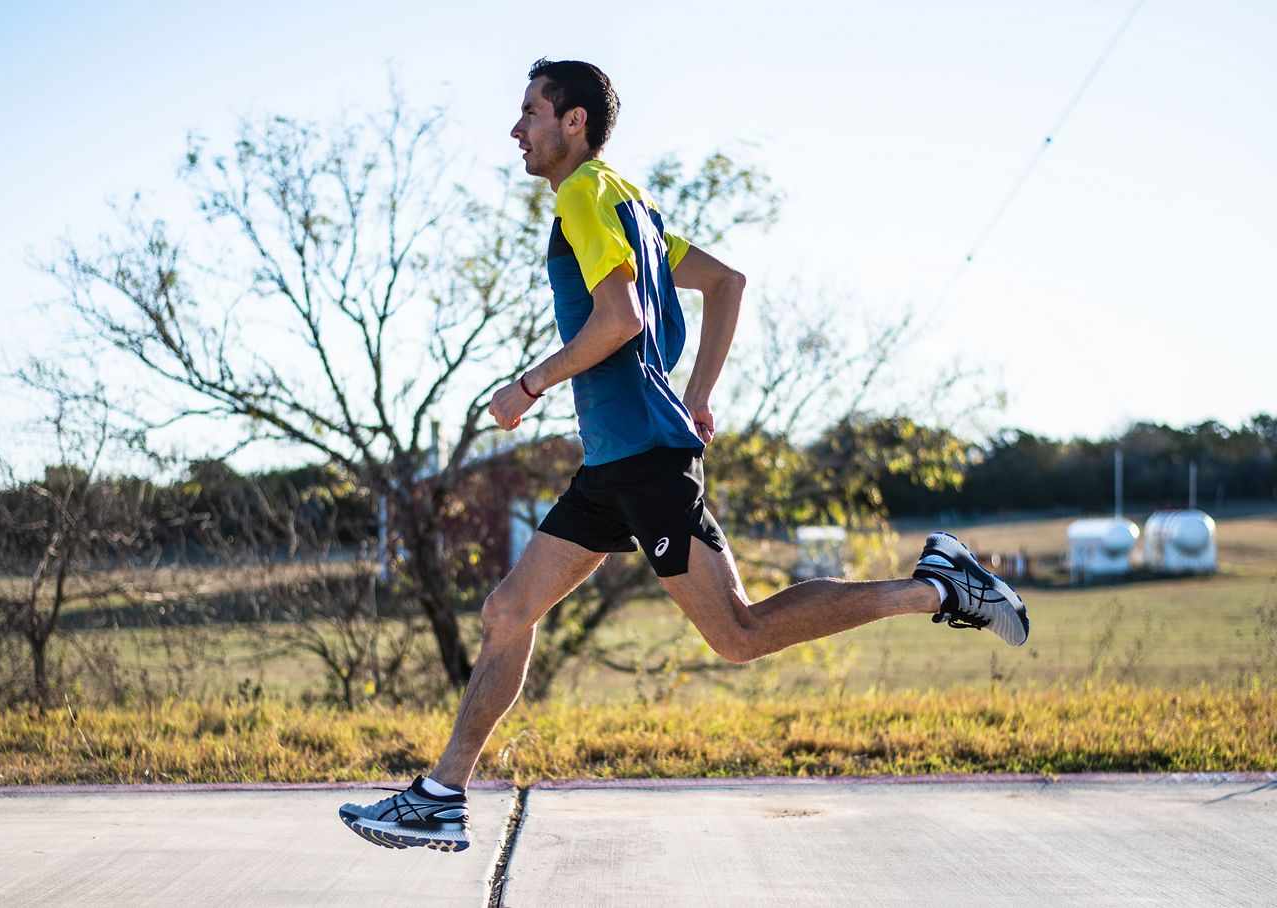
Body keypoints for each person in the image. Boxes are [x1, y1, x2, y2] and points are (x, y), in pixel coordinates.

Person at [339, 59, 1028, 852]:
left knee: (738, 634)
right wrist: (697, 395)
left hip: (644, 460)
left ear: (573, 122)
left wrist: (527, 386)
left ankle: (937, 587)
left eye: (530, 112)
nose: (516, 129)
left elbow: (621, 318)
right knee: (507, 611)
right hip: (615, 462)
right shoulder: (632, 206)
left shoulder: (583, 195)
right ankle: (439, 797)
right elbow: (727, 282)